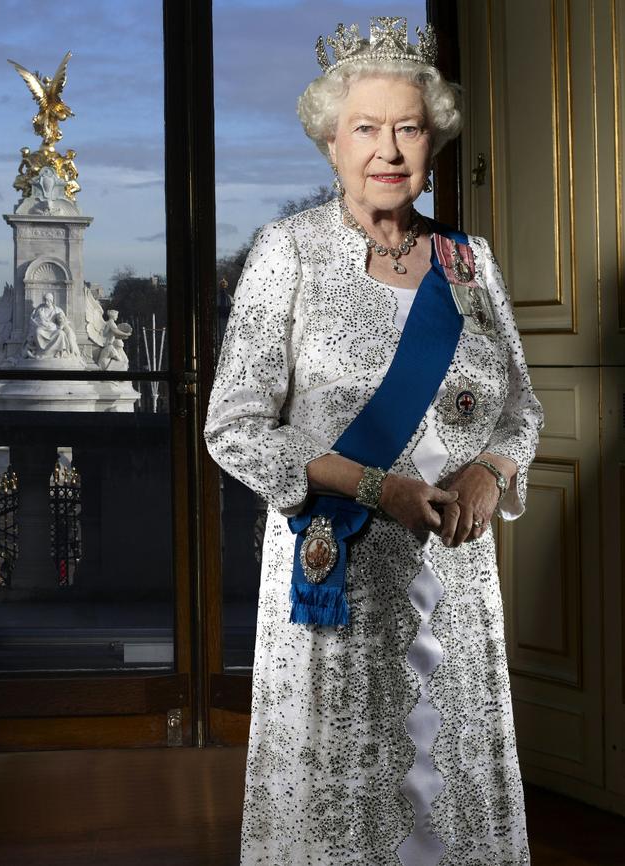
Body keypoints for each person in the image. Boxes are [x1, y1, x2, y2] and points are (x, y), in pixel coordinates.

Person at [204, 16, 543, 866]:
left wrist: (491, 475)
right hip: (341, 578)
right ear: (330, 142)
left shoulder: (471, 264)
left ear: (433, 140)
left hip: (456, 579)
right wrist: (372, 488)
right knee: (345, 804)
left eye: (408, 127)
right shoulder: (288, 253)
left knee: (448, 787)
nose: (388, 149)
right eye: (366, 128)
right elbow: (233, 428)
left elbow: (523, 410)